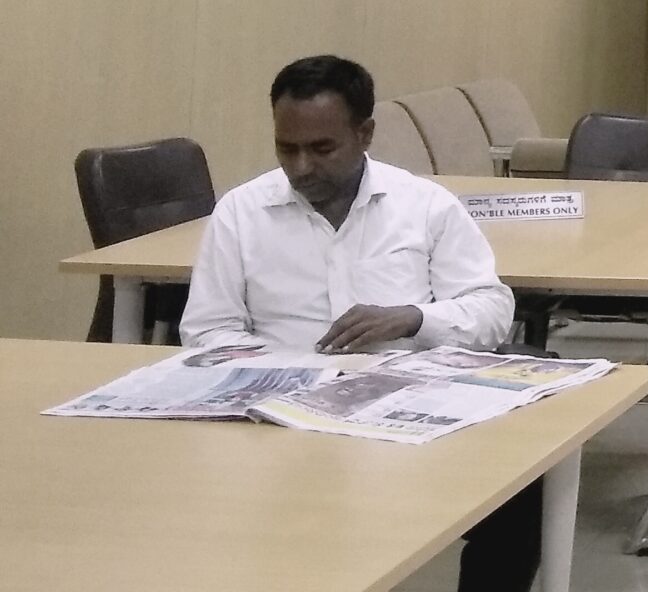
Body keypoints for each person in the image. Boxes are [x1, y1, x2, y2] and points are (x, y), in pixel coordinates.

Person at [181, 55, 541, 592]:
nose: (301, 167)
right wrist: (284, 374)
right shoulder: (241, 213)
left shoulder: (424, 206)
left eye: (322, 149)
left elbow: (490, 307)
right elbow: (208, 331)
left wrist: (413, 318)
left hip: (410, 414)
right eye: (287, 148)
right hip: (277, 422)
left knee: (523, 490)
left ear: (365, 133)